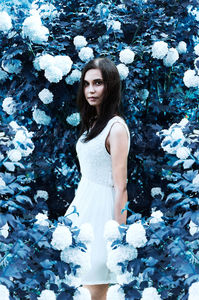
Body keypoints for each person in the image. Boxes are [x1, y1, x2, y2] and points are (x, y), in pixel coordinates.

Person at [65, 57, 130, 300]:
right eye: (86, 84)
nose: (91, 90)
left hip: (102, 217)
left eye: (98, 83)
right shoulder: (92, 123)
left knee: (96, 289)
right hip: (82, 210)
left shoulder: (116, 128)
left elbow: (121, 187)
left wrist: (119, 237)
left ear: (110, 85)